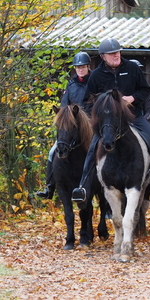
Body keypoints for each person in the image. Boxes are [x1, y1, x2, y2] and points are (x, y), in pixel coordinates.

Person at [71, 39, 150, 203]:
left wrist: (132, 98)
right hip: (108, 122)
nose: (116, 55)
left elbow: (145, 90)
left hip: (134, 117)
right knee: (92, 148)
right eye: (112, 54)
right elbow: (87, 102)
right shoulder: (97, 76)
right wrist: (100, 114)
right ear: (103, 56)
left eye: (118, 52)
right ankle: (82, 187)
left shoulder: (132, 68)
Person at [35, 51, 92, 199]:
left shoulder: (94, 83)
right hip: (72, 128)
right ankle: (49, 186)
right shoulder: (71, 85)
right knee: (52, 151)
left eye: (83, 67)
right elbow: (63, 106)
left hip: (89, 127)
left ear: (88, 67)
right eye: (78, 67)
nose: (80, 70)